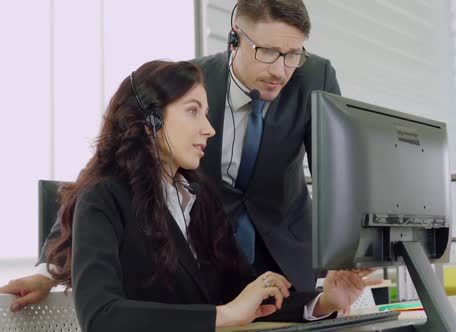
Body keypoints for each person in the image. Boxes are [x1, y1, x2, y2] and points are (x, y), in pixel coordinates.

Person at [1, 0, 342, 309]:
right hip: (201, 262)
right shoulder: (187, 84)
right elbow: (106, 167)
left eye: (293, 54)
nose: (281, 70)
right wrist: (50, 270)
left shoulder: (313, 76)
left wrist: (346, 257)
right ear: (234, 38)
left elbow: (337, 178)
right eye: (268, 51)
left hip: (280, 252)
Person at [31, 60, 375, 331]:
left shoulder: (198, 198)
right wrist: (223, 316)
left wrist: (323, 302)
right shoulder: (103, 197)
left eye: (207, 113)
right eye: (193, 110)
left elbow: (246, 293)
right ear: (150, 121)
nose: (209, 128)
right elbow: (102, 317)